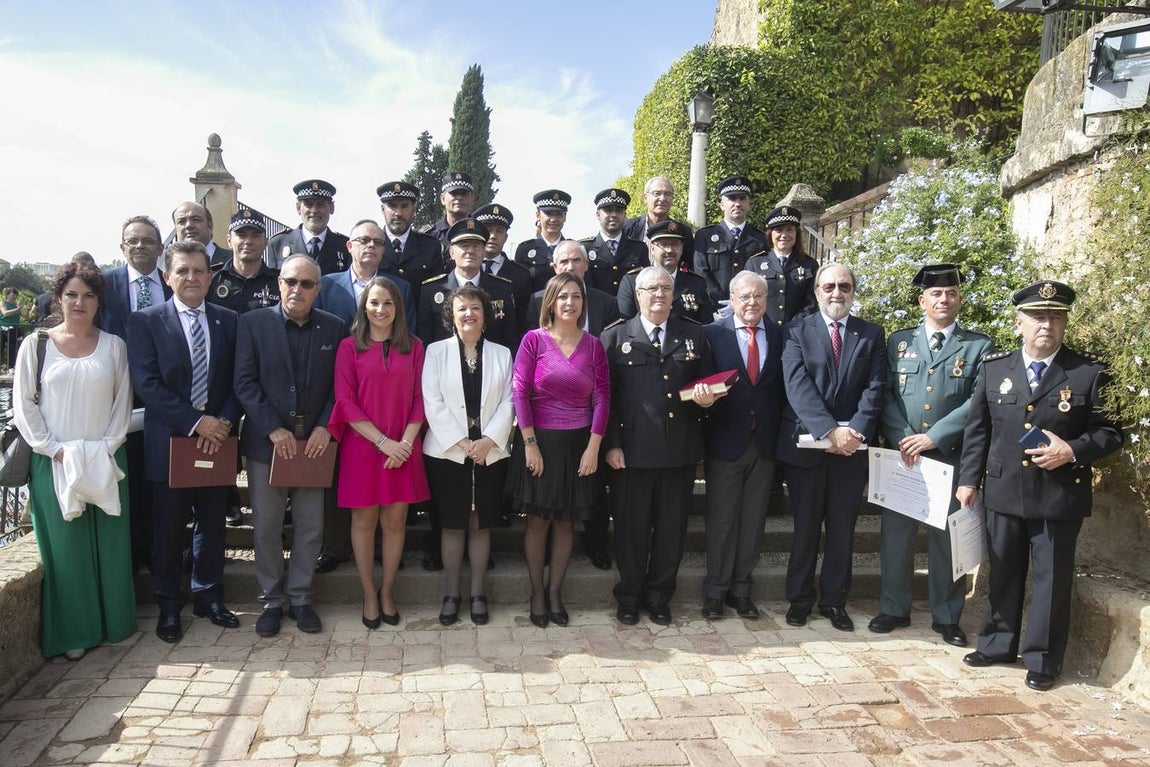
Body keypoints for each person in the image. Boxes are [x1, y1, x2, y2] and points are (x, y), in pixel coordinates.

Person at [957, 280, 1122, 691]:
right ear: (1019, 323)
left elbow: (1112, 432)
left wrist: (1074, 450)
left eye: (1054, 317)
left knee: (1052, 580)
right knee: (1004, 572)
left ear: (1064, 323)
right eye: (1037, 317)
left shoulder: (1089, 373)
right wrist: (967, 481)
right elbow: (979, 430)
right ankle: (996, 644)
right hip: (1004, 489)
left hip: (1058, 495)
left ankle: (1043, 660)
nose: (1045, 324)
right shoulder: (996, 368)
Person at [13, 263, 134, 660]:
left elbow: (122, 403)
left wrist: (106, 447)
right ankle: (75, 632)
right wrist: (55, 449)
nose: (79, 302)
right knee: (67, 550)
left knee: (110, 544)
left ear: (99, 302)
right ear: (58, 298)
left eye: (88, 295)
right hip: (55, 460)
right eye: (72, 295)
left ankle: (115, 623)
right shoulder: (37, 344)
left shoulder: (114, 346)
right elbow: (24, 405)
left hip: (106, 457)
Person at [871, 264, 993, 646]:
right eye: (936, 294)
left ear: (959, 300)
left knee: (946, 541)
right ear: (922, 300)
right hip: (902, 456)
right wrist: (905, 437)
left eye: (951, 293)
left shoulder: (977, 346)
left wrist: (934, 437)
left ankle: (947, 616)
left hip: (949, 458)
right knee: (896, 537)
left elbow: (977, 402)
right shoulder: (899, 342)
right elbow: (885, 393)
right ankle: (893, 607)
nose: (944, 299)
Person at [127, 240, 241, 643]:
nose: (191, 278)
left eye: (199, 270)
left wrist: (223, 421)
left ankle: (209, 595)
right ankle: (169, 604)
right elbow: (147, 384)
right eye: (183, 271)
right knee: (169, 527)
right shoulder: (145, 322)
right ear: (166, 276)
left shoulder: (230, 321)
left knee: (212, 525)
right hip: (169, 442)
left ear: (210, 277)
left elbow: (236, 380)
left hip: (217, 442)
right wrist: (197, 421)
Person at [234, 255, 346, 637]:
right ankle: (270, 600)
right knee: (265, 526)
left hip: (314, 444)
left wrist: (325, 429)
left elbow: (339, 388)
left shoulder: (334, 328)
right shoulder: (251, 324)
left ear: (318, 289)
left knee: (310, 526)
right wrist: (271, 428)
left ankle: (300, 598)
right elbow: (244, 382)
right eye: (290, 282)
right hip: (269, 445)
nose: (297, 289)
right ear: (279, 283)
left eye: (306, 284)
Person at [602, 265, 716, 626]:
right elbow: (605, 399)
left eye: (665, 288)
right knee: (631, 530)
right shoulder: (616, 336)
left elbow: (709, 386)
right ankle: (630, 595)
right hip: (631, 453)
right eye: (651, 289)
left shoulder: (694, 336)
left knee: (671, 530)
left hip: (679, 450)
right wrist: (611, 445)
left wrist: (708, 399)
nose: (659, 295)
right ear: (637, 295)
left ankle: (658, 595)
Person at [777, 263, 886, 632]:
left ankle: (835, 601)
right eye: (829, 286)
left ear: (854, 291)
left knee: (842, 530)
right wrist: (829, 431)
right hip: (808, 448)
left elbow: (875, 388)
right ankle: (800, 599)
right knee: (805, 528)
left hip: (851, 450)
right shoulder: (795, 331)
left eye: (844, 286)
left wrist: (853, 431)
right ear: (816, 292)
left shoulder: (871, 334)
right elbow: (797, 386)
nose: (836, 292)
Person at [312, 219, 417, 575]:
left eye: (376, 241)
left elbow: (410, 348)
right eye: (362, 240)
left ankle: (385, 559)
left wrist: (400, 440)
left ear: (384, 249)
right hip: (340, 400)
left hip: (391, 398)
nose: (369, 246)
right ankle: (335, 548)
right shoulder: (326, 285)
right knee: (345, 494)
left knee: (389, 513)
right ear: (350, 246)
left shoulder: (402, 288)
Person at [509, 272, 610, 627]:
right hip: (540, 442)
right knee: (538, 522)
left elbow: (602, 397)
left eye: (576, 297)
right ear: (550, 302)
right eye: (563, 296)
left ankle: (555, 592)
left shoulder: (594, 345)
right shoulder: (533, 341)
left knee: (566, 522)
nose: (570, 303)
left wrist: (594, 447)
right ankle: (536, 591)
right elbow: (519, 392)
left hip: (579, 444)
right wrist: (530, 445)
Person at [328, 276, 429, 628]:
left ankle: (387, 591)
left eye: (388, 303)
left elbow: (421, 399)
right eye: (374, 302)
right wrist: (383, 442)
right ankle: (368, 593)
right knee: (364, 521)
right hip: (363, 447)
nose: (381, 309)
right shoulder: (348, 348)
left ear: (398, 308)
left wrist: (405, 443)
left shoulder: (414, 347)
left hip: (404, 446)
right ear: (364, 307)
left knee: (395, 522)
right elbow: (345, 402)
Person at [422, 285, 515, 625]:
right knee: (452, 524)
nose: (469, 315)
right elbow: (432, 402)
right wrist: (463, 444)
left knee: (480, 523)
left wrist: (488, 440)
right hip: (447, 453)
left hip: (490, 452)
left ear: (485, 315)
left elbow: (510, 400)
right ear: (451, 317)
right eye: (461, 309)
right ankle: (451, 594)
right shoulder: (435, 352)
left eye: (475, 308)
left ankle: (478, 593)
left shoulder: (503, 354)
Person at [700, 271, 785, 620]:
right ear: (732, 300)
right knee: (721, 520)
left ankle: (742, 590)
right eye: (745, 297)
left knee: (753, 520)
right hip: (724, 439)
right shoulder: (711, 335)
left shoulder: (782, 335)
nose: (752, 303)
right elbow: (701, 385)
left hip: (764, 441)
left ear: (767, 300)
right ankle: (715, 591)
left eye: (759, 296)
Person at [98, 216, 172, 574]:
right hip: (115, 399)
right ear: (122, 247)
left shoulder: (175, 284)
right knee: (124, 477)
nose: (140, 246)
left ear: (160, 248)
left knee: (161, 482)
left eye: (147, 241)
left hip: (165, 401)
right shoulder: (103, 286)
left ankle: (160, 553)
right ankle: (127, 555)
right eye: (132, 241)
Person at [617, 220, 714, 324]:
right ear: (652, 248)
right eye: (663, 244)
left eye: (675, 244)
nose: (670, 250)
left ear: (682, 249)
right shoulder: (632, 281)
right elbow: (626, 324)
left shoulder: (696, 283)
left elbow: (706, 325)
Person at [694, 175, 768, 305]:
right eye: (732, 199)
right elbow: (701, 272)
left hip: (750, 308)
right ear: (722, 205)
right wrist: (722, 302)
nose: (738, 204)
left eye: (742, 198)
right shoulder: (704, 236)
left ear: (749, 204)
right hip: (714, 309)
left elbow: (764, 275)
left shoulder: (760, 239)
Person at [526, 241, 621, 336]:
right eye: (564, 262)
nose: (570, 267)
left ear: (586, 264)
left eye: (576, 260)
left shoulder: (607, 303)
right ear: (555, 267)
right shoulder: (538, 301)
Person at [744, 206, 818, 327]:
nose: (784, 235)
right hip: (762, 329)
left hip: (798, 330)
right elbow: (748, 298)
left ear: (796, 234)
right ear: (770, 234)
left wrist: (794, 326)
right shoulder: (754, 263)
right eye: (779, 230)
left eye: (790, 230)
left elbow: (811, 303)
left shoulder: (809, 265)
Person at [377, 180, 445, 298]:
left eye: (404, 206)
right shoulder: (372, 245)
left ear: (414, 210)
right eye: (392, 206)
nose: (398, 213)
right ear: (382, 209)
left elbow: (438, 292)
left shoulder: (430, 246)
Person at [208, 207, 281, 315]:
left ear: (265, 242)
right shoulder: (212, 280)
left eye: (255, 236)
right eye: (241, 235)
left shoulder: (279, 282)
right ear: (229, 240)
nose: (248, 241)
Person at [267, 179, 350, 273]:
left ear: (331, 208)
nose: (314, 210)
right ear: (298, 208)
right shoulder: (278, 243)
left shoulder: (345, 246)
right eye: (308, 204)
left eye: (320, 205)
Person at [474, 203, 533, 330]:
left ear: (506, 237)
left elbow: (523, 320)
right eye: (488, 230)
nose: (493, 236)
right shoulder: (465, 269)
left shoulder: (520, 275)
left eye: (499, 231)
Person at [580, 188, 648, 296]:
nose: (614, 215)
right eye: (608, 210)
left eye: (618, 210)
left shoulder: (639, 249)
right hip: (597, 311)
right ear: (598, 214)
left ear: (625, 214)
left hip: (629, 312)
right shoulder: (584, 248)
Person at [514, 190, 572, 291]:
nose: (553, 219)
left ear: (565, 217)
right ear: (538, 215)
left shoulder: (573, 248)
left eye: (559, 214)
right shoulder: (524, 250)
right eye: (548, 213)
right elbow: (519, 289)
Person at [622, 176, 694, 251]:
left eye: (667, 194)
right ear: (645, 198)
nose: (662, 198)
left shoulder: (683, 232)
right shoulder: (627, 228)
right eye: (657, 193)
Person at [424, 171, 477, 258]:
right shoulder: (429, 236)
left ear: (472, 199)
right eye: (454, 193)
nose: (459, 198)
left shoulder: (481, 233)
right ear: (443, 199)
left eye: (464, 193)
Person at [172, 201, 232, 267]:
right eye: (181, 221)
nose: (188, 225)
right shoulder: (170, 264)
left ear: (210, 226)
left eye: (196, 220)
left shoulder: (233, 260)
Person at [2, 286, 24, 367]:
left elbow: (25, 315)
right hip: (3, 328)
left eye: (16, 295)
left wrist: (26, 309)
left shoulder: (16, 306)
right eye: (12, 295)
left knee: (12, 348)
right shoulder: (3, 303)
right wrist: (18, 309)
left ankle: (11, 367)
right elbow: (5, 313)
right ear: (7, 295)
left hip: (13, 329)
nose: (15, 297)